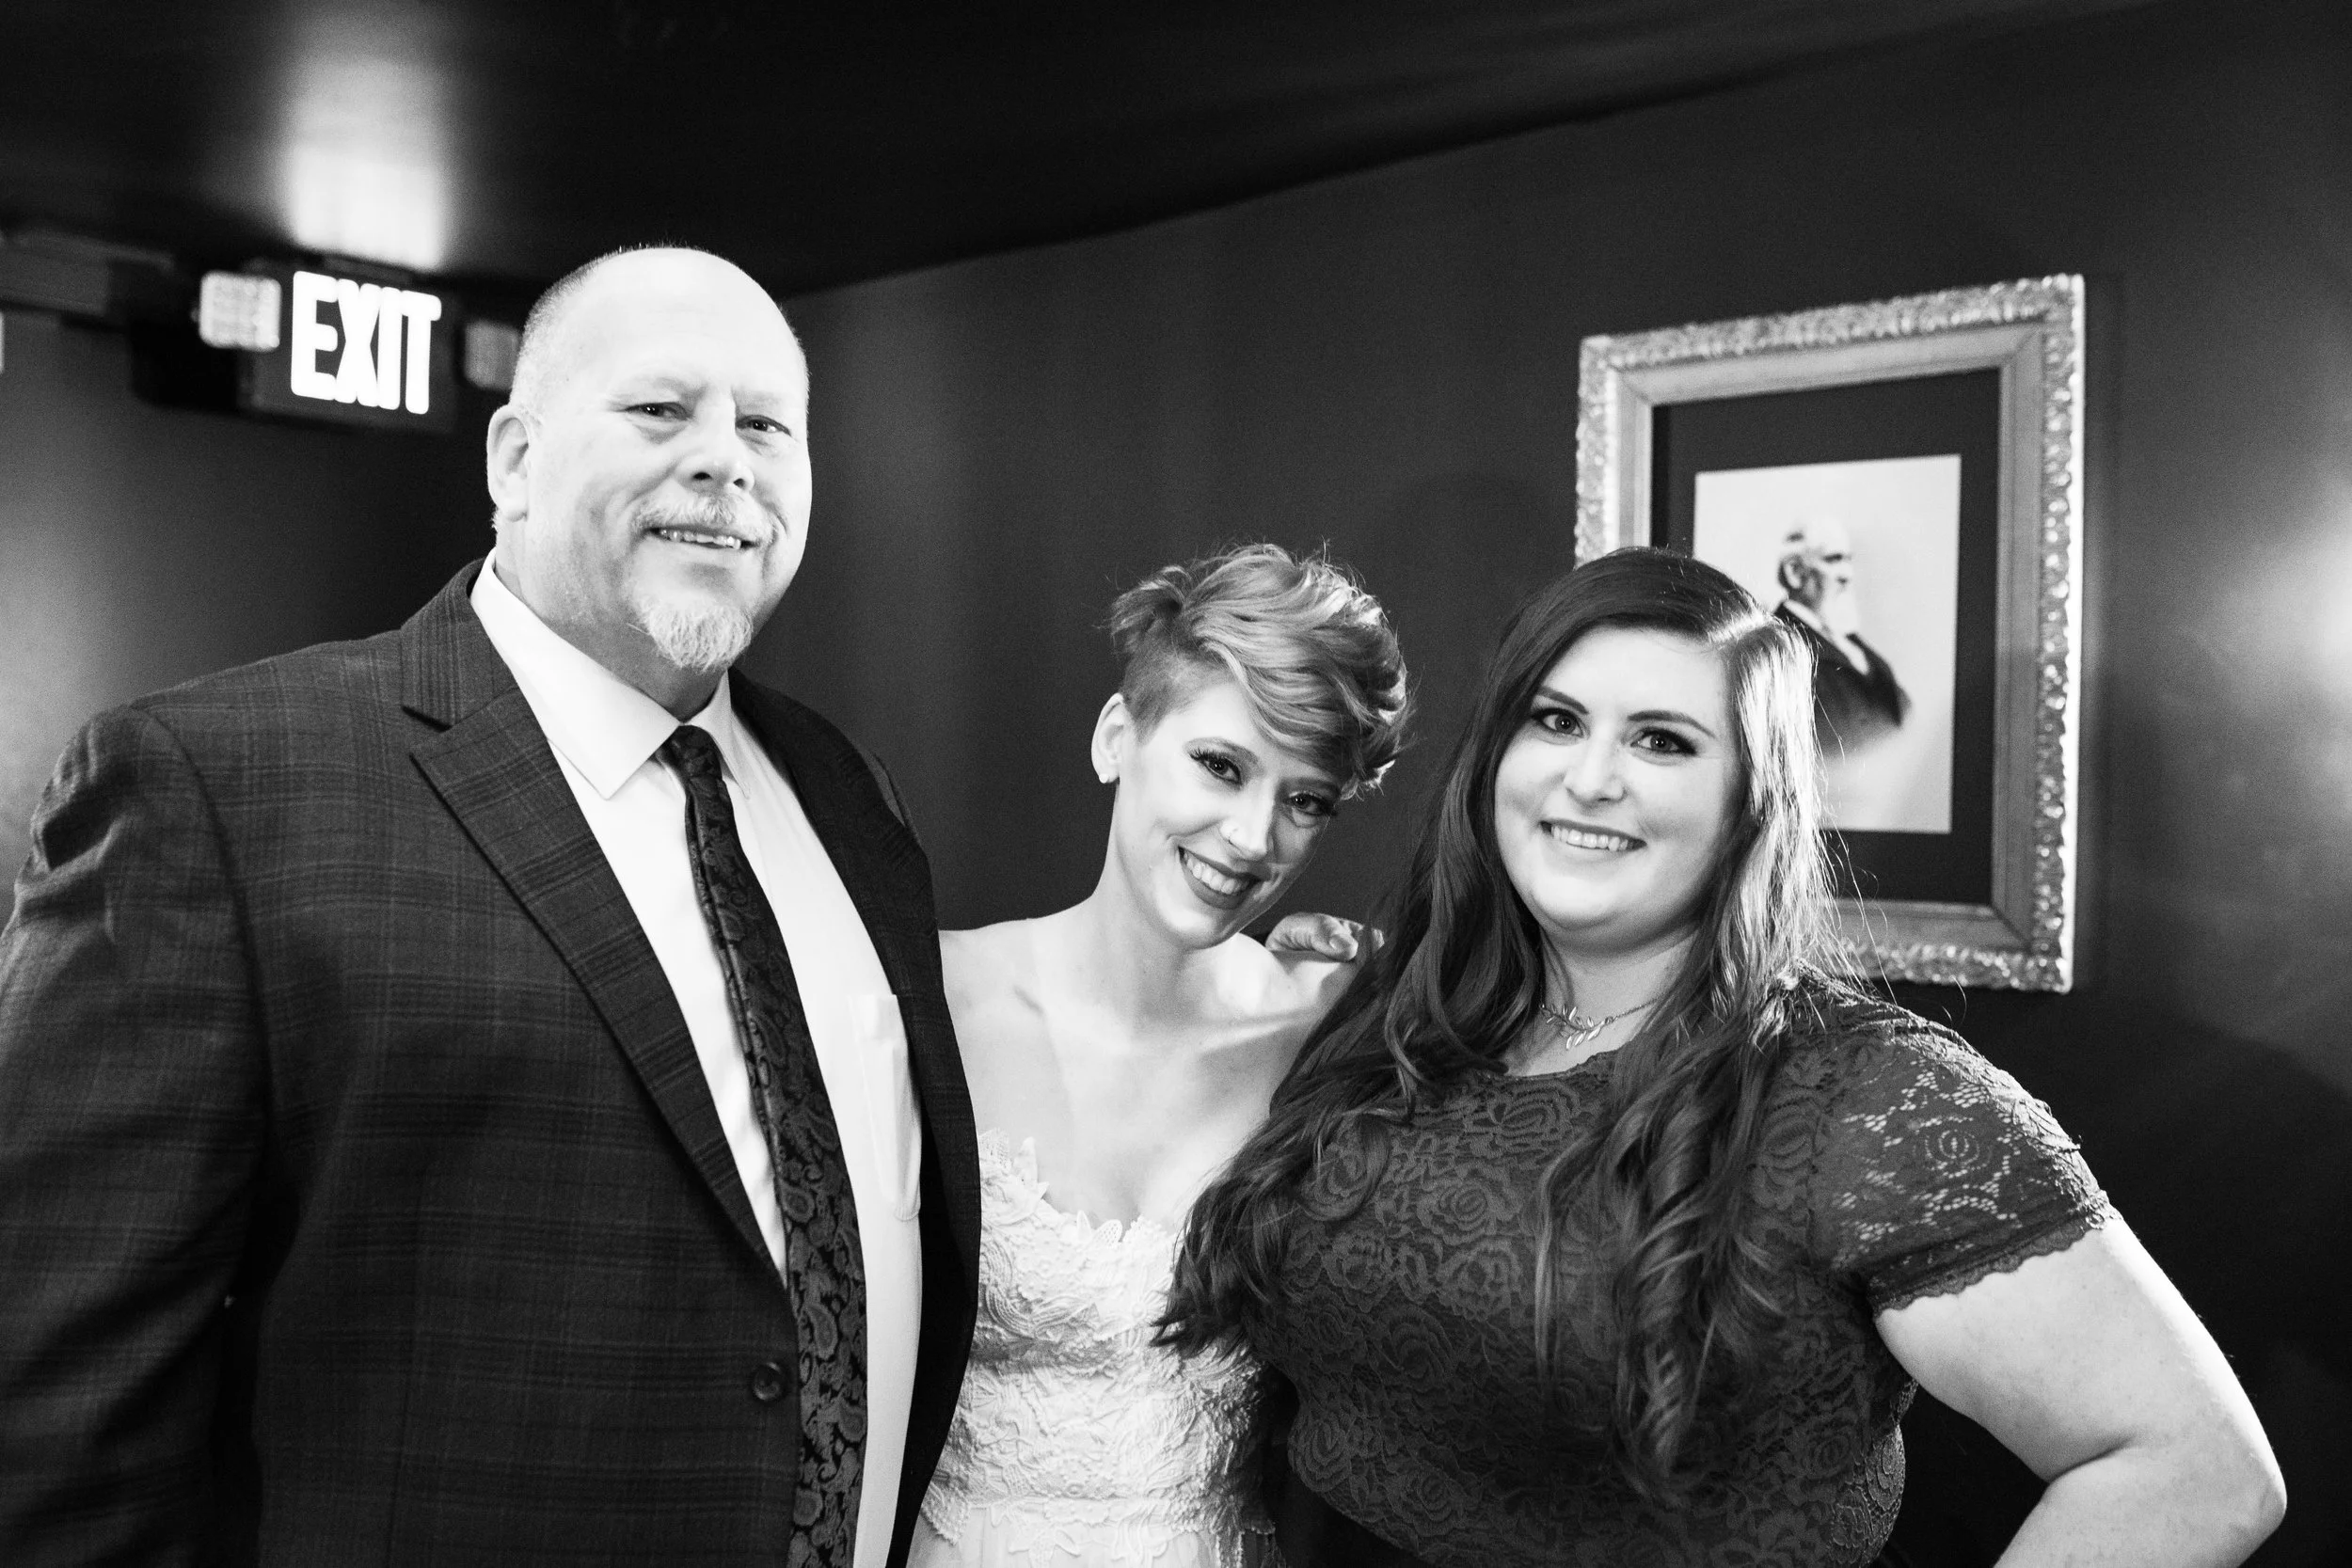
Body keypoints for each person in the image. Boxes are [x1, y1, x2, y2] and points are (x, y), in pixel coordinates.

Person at [0, 246, 983, 1566]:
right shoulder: (221, 787)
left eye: (766, 425)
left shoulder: (853, 802)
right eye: (659, 409)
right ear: (513, 457)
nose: (724, 460)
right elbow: (64, 1416)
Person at [1162, 548, 2284, 1566]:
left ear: (1752, 798)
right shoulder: (1397, 1021)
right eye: (1554, 720)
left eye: (1661, 740)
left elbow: (2195, 1468)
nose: (1588, 777)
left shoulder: (1866, 1097)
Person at [911, 545, 1410, 1568]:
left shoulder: (1336, 1029)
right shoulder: (925, 998)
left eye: (1305, 799)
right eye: (1220, 766)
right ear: (1115, 738)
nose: (1250, 836)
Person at [1772, 514, 1908, 752]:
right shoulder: (1777, 646)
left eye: (1847, 560)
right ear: (1794, 571)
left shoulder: (1853, 646)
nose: (1847, 575)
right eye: (1833, 560)